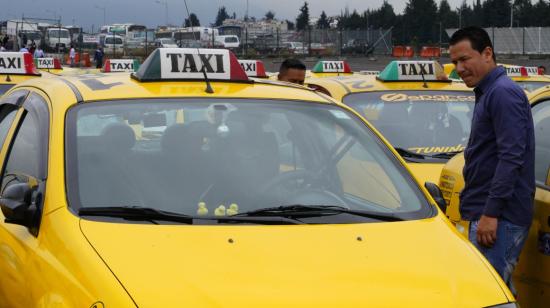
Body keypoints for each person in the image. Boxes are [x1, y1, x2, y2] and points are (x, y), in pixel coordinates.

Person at [449, 27, 535, 295]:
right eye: (454, 63)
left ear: (487, 53)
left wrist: (490, 213)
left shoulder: (502, 93)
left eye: (465, 59)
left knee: (487, 295)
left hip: (499, 219)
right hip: (491, 215)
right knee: (496, 293)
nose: (459, 68)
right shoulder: (489, 92)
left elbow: (511, 157)